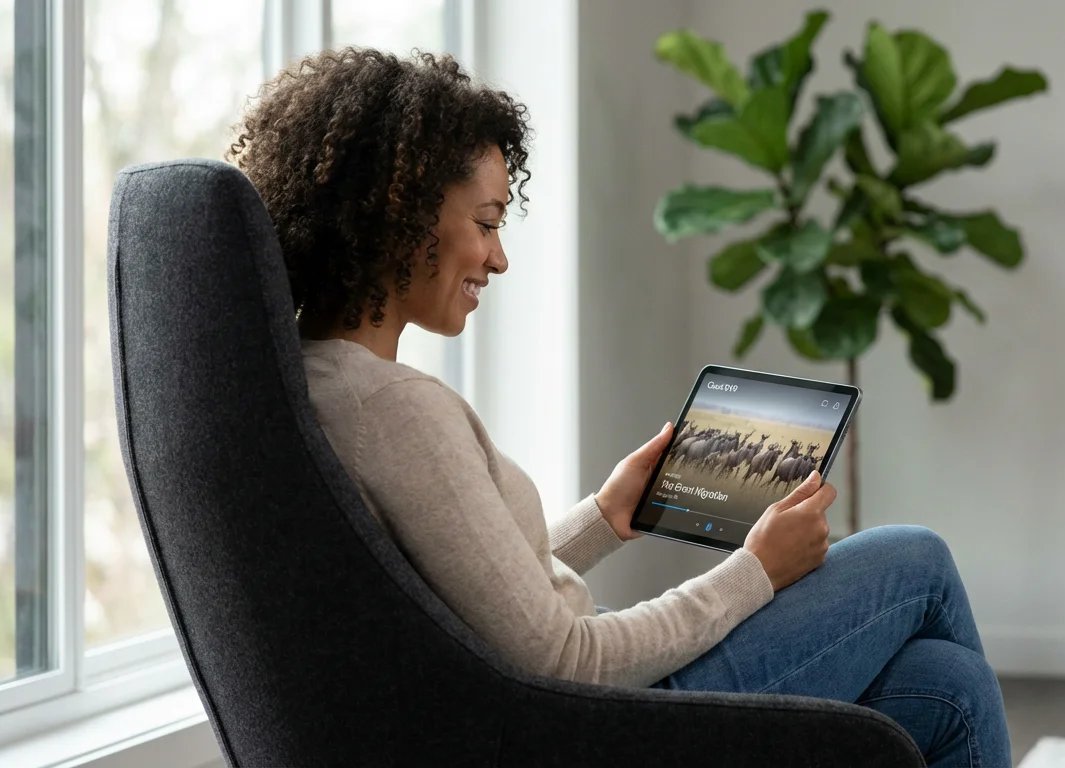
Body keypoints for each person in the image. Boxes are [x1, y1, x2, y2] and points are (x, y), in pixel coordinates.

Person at [229, 48, 1011, 768]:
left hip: (538, 716)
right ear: (398, 211)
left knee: (946, 686)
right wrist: (754, 573)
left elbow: (463, 607)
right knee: (914, 558)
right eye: (488, 223)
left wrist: (607, 517)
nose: (499, 257)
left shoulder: (323, 383)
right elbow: (568, 662)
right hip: (598, 731)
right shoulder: (392, 410)